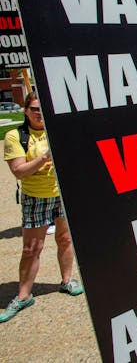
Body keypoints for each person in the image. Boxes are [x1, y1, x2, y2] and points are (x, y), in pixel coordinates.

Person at [0, 92, 84, 323]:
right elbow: (19, 171)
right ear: (26, 110)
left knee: (65, 239)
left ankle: (67, 280)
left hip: (61, 194)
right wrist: (45, 157)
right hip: (36, 196)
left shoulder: (56, 131)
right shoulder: (16, 136)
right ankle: (24, 294)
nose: (38, 114)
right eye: (34, 109)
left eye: (41, 110)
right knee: (31, 248)